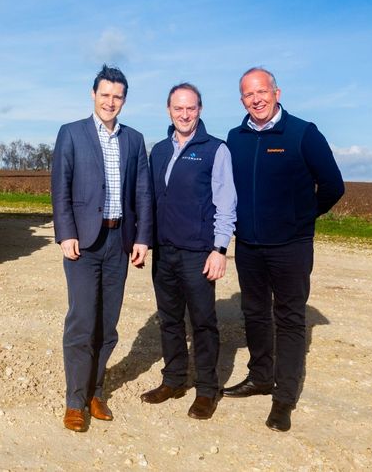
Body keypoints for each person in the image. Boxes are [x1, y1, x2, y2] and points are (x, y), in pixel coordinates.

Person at [223, 67, 345, 432]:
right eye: (248, 94)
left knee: (290, 319)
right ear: (242, 100)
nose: (256, 99)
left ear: (277, 93)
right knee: (255, 313)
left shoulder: (303, 133)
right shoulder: (235, 137)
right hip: (248, 245)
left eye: (262, 91)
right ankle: (260, 377)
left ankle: (284, 397)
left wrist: (301, 217)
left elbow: (333, 186)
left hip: (291, 246)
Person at [52, 64, 152, 432]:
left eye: (117, 96)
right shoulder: (71, 133)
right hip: (83, 243)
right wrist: (66, 233)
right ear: (93, 94)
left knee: (108, 325)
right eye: (105, 94)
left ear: (124, 100)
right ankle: (74, 401)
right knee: (82, 321)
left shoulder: (134, 140)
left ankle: (95, 392)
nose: (110, 102)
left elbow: (142, 192)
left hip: (119, 241)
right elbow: (60, 188)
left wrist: (142, 238)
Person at [140, 83, 236, 420]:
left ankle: (207, 389)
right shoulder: (159, 151)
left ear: (200, 110)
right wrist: (143, 240)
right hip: (164, 252)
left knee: (203, 322)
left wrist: (219, 249)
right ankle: (174, 380)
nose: (184, 114)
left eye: (191, 108)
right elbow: (150, 199)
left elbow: (226, 204)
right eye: (178, 108)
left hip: (198, 253)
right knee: (169, 319)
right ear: (169, 110)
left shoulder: (215, 150)